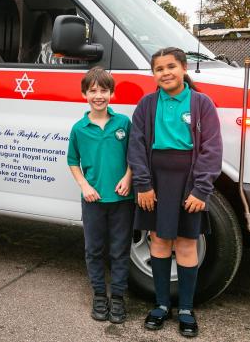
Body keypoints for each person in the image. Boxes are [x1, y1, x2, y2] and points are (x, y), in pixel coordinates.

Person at [127, 47, 222, 338]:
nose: (165, 72)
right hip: (155, 183)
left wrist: (201, 190)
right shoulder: (147, 104)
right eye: (159, 68)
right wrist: (143, 185)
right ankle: (160, 304)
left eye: (171, 66)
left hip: (188, 184)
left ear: (183, 69)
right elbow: (136, 145)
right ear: (153, 74)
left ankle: (186, 308)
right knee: (158, 240)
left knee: (185, 244)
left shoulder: (201, 103)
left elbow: (212, 149)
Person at [67, 66, 134, 324]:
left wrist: (128, 178)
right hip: (93, 201)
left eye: (104, 90)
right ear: (84, 94)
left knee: (119, 250)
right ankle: (98, 294)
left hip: (121, 200)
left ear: (112, 94)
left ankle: (117, 297)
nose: (98, 95)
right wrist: (85, 186)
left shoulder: (123, 124)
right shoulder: (79, 128)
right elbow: (73, 161)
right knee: (93, 250)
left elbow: (133, 157)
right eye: (93, 90)